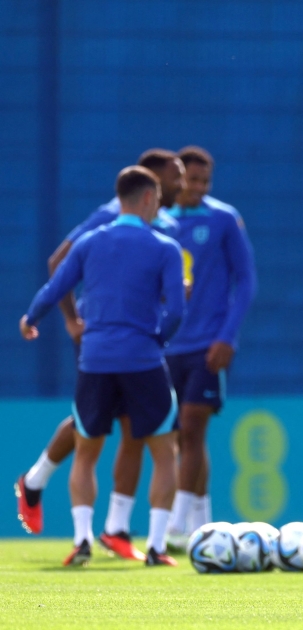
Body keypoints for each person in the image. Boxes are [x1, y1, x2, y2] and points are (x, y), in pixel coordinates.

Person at [14, 149, 185, 562]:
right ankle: (158, 546)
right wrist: (157, 339)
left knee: (88, 448)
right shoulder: (164, 246)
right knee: (165, 450)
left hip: (95, 360)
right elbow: (177, 311)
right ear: (147, 199)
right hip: (143, 359)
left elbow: (55, 287)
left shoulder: (91, 241)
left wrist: (30, 317)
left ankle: (83, 539)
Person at [164, 146, 257, 548]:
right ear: (176, 179)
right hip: (165, 345)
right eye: (191, 180)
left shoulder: (223, 219)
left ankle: (175, 526)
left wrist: (227, 336)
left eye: (205, 181)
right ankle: (204, 523)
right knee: (176, 436)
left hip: (207, 345)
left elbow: (247, 281)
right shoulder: (161, 221)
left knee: (192, 427)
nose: (198, 188)